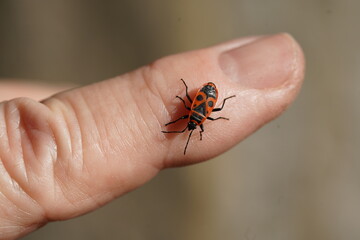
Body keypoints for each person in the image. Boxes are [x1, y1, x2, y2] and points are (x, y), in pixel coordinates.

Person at [0, 33, 304, 239]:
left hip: (208, 90)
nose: (193, 125)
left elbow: (202, 105)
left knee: (212, 106)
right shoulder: (194, 114)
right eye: (194, 124)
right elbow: (199, 105)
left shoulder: (196, 114)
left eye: (194, 124)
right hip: (209, 89)